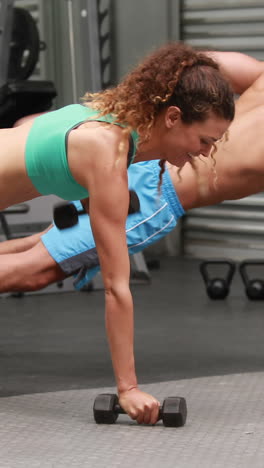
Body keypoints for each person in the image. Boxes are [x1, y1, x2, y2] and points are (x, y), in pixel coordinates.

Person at [0, 41, 239, 425]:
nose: (207, 153)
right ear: (173, 117)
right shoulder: (108, 153)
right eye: (205, 141)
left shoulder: (108, 113)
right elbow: (116, 287)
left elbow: (23, 127)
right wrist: (127, 389)